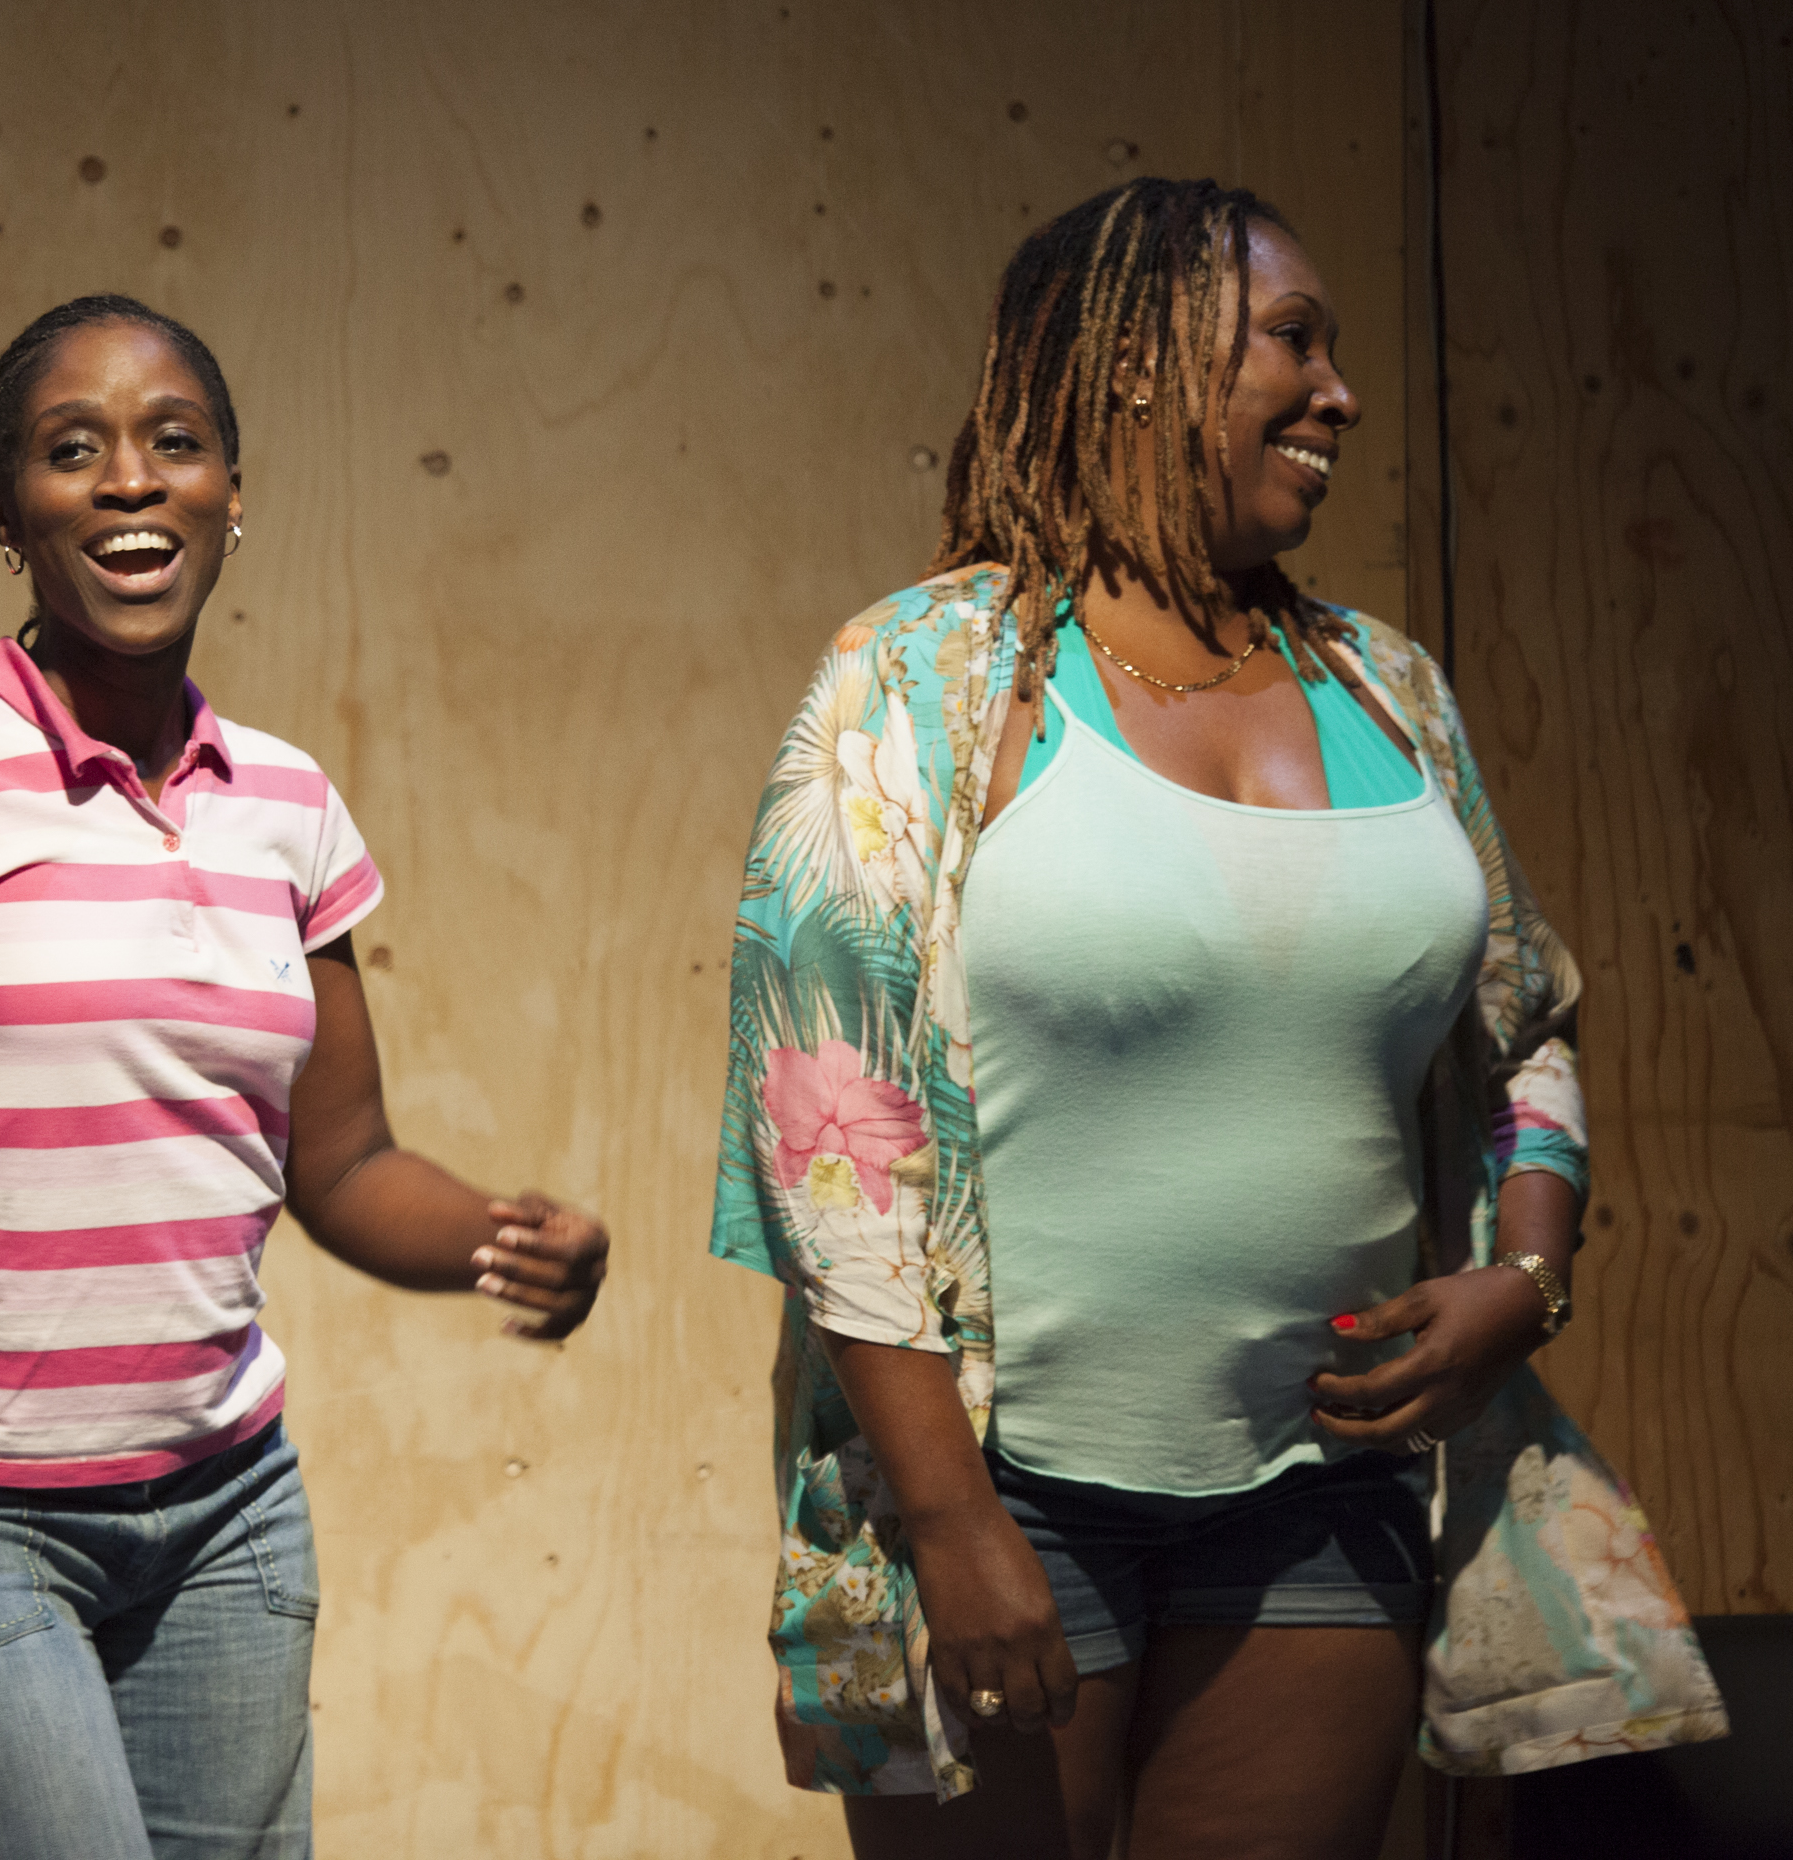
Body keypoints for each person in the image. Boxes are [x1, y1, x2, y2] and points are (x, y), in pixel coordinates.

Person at [712, 179, 1726, 1858]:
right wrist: (953, 1524)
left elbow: (1527, 1022)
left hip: (1326, 1488)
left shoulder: (1387, 687)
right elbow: (828, 1131)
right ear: (1134, 364)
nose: (1339, 394)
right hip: (1012, 1487)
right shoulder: (926, 679)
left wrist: (1524, 1280)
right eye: (1294, 342)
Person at [0, 294, 612, 1859]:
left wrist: (503, 1236)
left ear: (231, 493)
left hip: (227, 1518)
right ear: (11, 512)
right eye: (75, 452)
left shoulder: (286, 802)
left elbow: (340, 1167)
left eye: (173, 444)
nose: (131, 481)